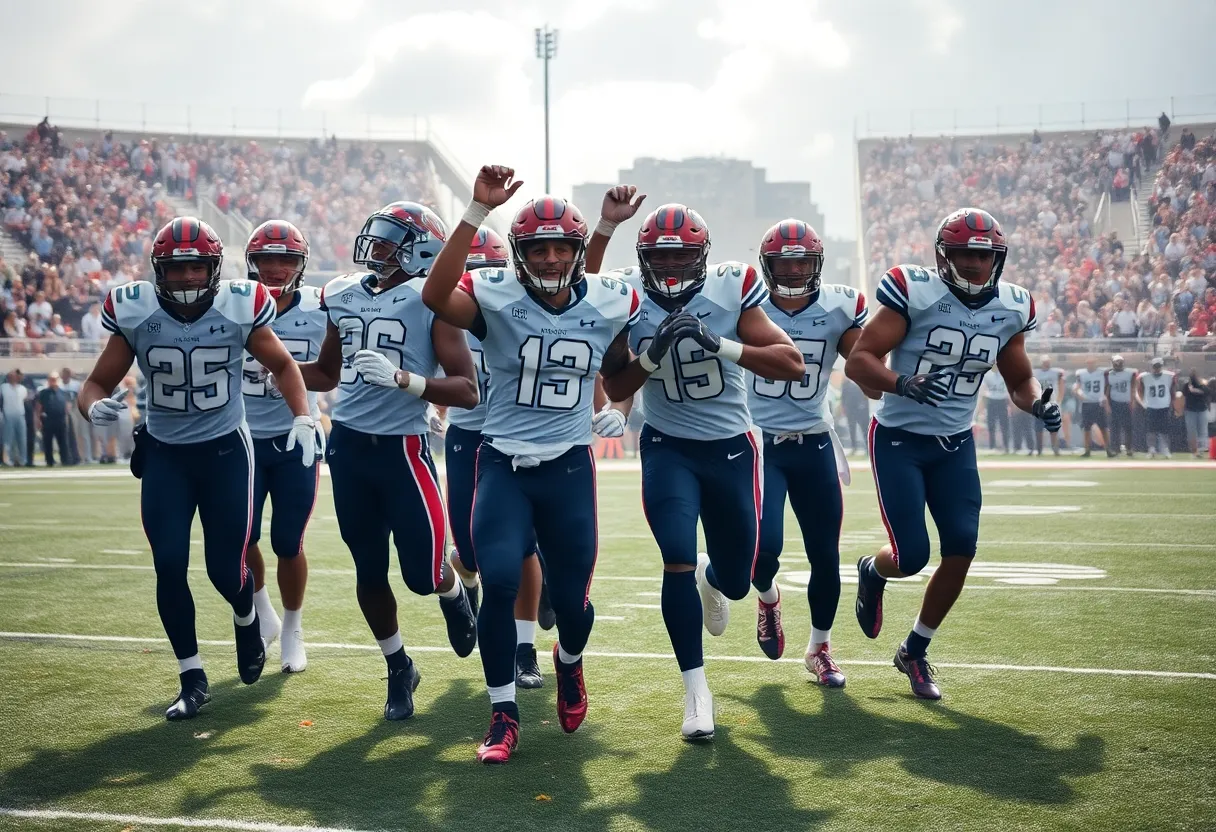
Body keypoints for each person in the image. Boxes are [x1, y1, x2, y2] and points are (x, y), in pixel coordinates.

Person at [422, 169, 642, 764]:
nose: (549, 258)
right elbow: (436, 296)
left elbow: (623, 368)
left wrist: (620, 404)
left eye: (561, 248)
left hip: (568, 469)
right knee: (499, 582)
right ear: (518, 255)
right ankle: (502, 713)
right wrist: (473, 210)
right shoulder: (494, 298)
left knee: (572, 602)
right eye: (538, 248)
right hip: (502, 464)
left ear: (575, 254)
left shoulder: (609, 299)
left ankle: (568, 662)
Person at [77, 216, 319, 720]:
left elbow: (283, 365)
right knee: (168, 564)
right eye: (176, 268)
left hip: (226, 450)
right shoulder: (135, 310)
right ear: (157, 271)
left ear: (214, 268)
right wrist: (92, 405)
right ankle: (191, 676)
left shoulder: (239, 306)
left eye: (196, 267)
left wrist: (302, 415)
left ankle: (247, 614)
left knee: (222, 567)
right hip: (166, 454)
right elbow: (97, 382)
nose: (186, 277)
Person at [591, 197, 804, 739]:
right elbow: (614, 382)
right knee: (676, 559)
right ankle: (695, 692)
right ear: (642, 260)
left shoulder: (732, 288)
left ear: (703, 257)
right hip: (667, 447)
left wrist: (719, 343)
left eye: (680, 258)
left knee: (735, 580)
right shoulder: (629, 297)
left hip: (733, 449)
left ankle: (717, 578)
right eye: (659, 260)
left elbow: (790, 361)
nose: (668, 269)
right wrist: (650, 355)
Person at [844, 208, 1061, 700]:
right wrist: (902, 382)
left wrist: (1036, 404)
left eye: (983, 254)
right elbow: (859, 361)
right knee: (913, 555)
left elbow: (1019, 377)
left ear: (997, 258)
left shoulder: (1010, 307)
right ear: (944, 256)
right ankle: (872, 569)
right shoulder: (913, 291)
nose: (974, 263)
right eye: (964, 253)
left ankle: (914, 651)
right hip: (899, 438)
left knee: (962, 547)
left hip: (956, 442)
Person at [296, 201, 479, 723]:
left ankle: (453, 593)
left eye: (389, 238)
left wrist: (405, 380)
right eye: (375, 236)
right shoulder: (343, 293)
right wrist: (273, 366)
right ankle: (399, 665)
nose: (374, 246)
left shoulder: (433, 300)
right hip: (349, 448)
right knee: (369, 567)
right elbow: (327, 373)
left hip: (405, 448)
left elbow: (467, 389)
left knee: (422, 575)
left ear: (419, 247)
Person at [743, 219, 868, 686]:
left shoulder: (841, 306)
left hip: (814, 440)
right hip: (762, 444)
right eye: (784, 262)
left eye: (802, 262)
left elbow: (863, 359)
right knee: (764, 549)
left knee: (824, 554)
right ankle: (769, 597)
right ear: (767, 265)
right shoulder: (746, 303)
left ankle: (819, 648)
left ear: (817, 265)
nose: (793, 270)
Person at [442, 226, 553, 690]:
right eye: (471, 272)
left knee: (522, 547)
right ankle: (465, 573)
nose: (480, 283)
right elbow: (431, 364)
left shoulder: (524, 308)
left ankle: (524, 650)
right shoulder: (448, 316)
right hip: (468, 437)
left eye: (488, 271)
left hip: (512, 440)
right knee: (470, 551)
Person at [240, 220, 326, 673]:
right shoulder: (231, 305)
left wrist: (297, 382)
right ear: (250, 264)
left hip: (297, 438)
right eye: (266, 260)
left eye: (286, 259)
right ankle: (265, 613)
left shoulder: (319, 308)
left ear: (301, 265)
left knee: (288, 542)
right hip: (242, 439)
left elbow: (333, 367)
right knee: (241, 538)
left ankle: (292, 625)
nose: (275, 268)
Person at [1137, 357, 1176, 458]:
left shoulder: (1169, 376)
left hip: (1164, 406)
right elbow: (1139, 390)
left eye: (1158, 366)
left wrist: (1172, 403)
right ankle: (1152, 449)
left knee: (1164, 430)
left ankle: (1165, 449)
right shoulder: (1145, 377)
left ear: (1161, 366)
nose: (1157, 368)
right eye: (1155, 366)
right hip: (1150, 406)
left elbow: (1173, 391)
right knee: (1151, 430)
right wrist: (1143, 402)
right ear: (1152, 366)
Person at [1074, 358, 1111, 457]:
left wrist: (1105, 397)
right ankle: (1087, 450)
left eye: (1092, 363)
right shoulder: (1081, 373)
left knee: (1103, 427)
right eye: (1089, 363)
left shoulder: (1103, 373)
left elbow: (1108, 385)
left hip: (1098, 403)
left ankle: (1108, 449)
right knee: (1087, 428)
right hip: (1087, 403)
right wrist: (1079, 393)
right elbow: (1077, 387)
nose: (1090, 365)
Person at [34, 371, 72, 466]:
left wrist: (67, 419)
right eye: (51, 379)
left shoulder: (63, 392)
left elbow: (67, 407)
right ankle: (49, 461)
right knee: (47, 442)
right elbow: (39, 407)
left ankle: (65, 460)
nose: (53, 381)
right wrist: (38, 420)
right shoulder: (43, 393)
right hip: (48, 420)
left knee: (63, 442)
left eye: (55, 379)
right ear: (48, 380)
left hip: (61, 420)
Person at [1033, 355, 1064, 455]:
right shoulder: (1036, 373)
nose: (1046, 364)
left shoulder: (1056, 372)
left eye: (1048, 362)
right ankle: (1039, 450)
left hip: (1051, 403)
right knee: (1038, 428)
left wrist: (1059, 399)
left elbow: (1061, 384)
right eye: (1044, 362)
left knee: (1053, 428)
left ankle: (1055, 448)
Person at [1106, 355, 1137, 457]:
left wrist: (1132, 401)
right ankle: (1116, 448)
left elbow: (1133, 387)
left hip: (1125, 402)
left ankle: (1129, 448)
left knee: (1128, 427)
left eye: (1120, 362)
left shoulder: (1129, 373)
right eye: (1116, 362)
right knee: (1115, 427)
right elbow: (1107, 390)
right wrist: (1107, 404)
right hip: (1114, 402)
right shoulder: (1109, 374)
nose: (1118, 364)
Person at [1, 370, 28, 466]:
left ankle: (22, 460)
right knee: (7, 439)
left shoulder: (22, 388)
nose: (14, 377)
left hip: (20, 415)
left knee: (22, 439)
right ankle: (7, 460)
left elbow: (25, 399)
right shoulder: (3, 387)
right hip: (8, 415)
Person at [1182, 369, 1210, 458]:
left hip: (1201, 410)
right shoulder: (1186, 385)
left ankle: (1202, 449)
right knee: (1192, 431)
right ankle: (1194, 451)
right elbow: (1184, 394)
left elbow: (1207, 392)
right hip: (1190, 410)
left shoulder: (1202, 385)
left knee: (1202, 430)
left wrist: (1195, 389)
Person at [981, 372, 1011, 453]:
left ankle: (1006, 446)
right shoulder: (987, 374)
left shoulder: (1005, 373)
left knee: (1004, 424)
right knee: (991, 424)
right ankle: (992, 446)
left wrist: (1010, 402)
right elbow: (983, 388)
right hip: (991, 399)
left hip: (1002, 400)